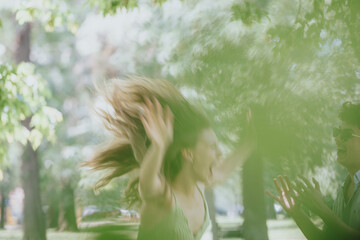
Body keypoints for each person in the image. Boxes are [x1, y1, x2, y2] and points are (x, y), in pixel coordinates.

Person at [84, 77, 255, 240]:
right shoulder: (162, 197)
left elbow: (224, 172)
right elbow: (147, 181)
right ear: (189, 154)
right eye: (212, 147)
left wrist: (249, 142)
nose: (219, 154)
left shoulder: (200, 186)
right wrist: (160, 145)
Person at [266, 102, 360, 240]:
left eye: (346, 134)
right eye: (337, 132)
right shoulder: (343, 190)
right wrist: (296, 213)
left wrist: (322, 210)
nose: (337, 138)